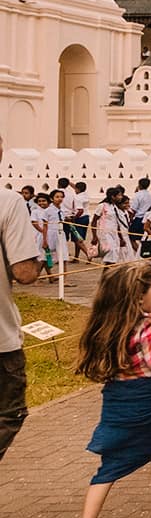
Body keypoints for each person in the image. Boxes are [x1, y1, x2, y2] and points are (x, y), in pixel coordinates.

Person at [74, 261, 151, 518]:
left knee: (107, 468)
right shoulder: (147, 327)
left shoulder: (111, 324)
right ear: (139, 296)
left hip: (117, 400)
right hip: (147, 401)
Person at [0, 134, 43, 460]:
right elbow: (25, 273)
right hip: (0, 341)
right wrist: (40, 257)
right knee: (9, 412)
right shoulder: (8, 202)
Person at [95, 187, 133, 265]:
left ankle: (108, 275)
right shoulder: (103, 206)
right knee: (110, 253)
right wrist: (94, 236)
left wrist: (121, 238)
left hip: (114, 234)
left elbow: (117, 224)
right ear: (113, 196)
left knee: (114, 254)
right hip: (105, 233)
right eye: (119, 195)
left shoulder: (114, 207)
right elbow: (94, 221)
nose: (121, 197)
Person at [127, 176, 151, 250]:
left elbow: (133, 210)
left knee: (131, 238)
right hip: (148, 219)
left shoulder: (137, 195)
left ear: (139, 185)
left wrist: (130, 219)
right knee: (143, 238)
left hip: (139, 219)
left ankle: (140, 253)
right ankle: (143, 252)